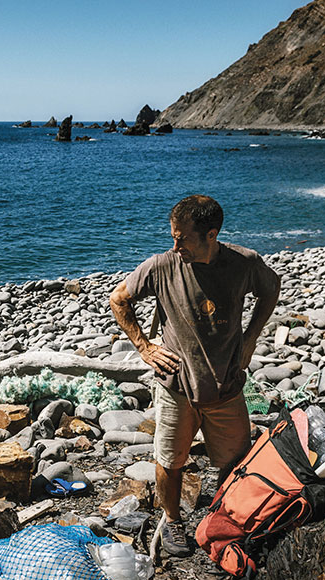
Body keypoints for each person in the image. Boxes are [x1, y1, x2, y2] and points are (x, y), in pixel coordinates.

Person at [109, 195, 281, 557]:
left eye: (182, 238)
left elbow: (271, 288)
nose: (175, 245)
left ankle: (224, 515)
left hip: (227, 386)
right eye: (172, 236)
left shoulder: (243, 263)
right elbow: (118, 299)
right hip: (177, 387)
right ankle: (172, 522)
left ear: (211, 235)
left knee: (236, 462)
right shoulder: (161, 267)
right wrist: (145, 348)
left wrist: (250, 339)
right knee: (169, 461)